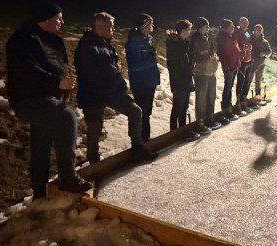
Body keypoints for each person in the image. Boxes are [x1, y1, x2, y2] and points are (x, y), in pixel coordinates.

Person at [5, 1, 92, 198]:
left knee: (41, 142)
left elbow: (58, 66)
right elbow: (27, 70)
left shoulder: (54, 41)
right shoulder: (22, 39)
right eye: (58, 18)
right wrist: (57, 83)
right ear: (45, 19)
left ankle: (39, 191)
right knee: (66, 117)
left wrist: (66, 81)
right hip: (28, 99)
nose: (62, 22)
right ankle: (68, 176)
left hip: (50, 98)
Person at [73, 12, 156, 164]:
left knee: (135, 111)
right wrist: (112, 68)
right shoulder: (87, 46)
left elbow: (109, 66)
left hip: (112, 91)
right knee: (95, 128)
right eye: (109, 26)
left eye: (112, 26)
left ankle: (137, 147)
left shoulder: (105, 43)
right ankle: (94, 162)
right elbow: (92, 71)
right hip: (93, 94)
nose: (112, 29)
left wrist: (114, 69)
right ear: (99, 27)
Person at [125, 13, 160, 142]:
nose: (153, 26)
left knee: (147, 112)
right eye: (151, 23)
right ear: (144, 25)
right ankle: (139, 142)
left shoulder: (146, 39)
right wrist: (152, 61)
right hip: (141, 83)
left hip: (149, 81)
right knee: (142, 113)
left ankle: (146, 138)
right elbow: (134, 65)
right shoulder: (134, 42)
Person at [166, 19, 200, 139]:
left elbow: (185, 61)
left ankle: (182, 129)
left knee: (183, 107)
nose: (190, 32)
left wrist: (191, 65)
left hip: (186, 79)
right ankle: (174, 133)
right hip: (180, 81)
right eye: (189, 30)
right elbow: (173, 65)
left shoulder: (183, 43)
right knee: (177, 107)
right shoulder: (174, 45)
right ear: (183, 30)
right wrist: (180, 78)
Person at [188, 17, 220, 131]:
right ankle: (200, 122)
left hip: (210, 72)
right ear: (200, 27)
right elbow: (196, 56)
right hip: (201, 73)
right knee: (201, 99)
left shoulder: (206, 37)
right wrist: (207, 55)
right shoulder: (194, 39)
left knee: (211, 96)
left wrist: (212, 56)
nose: (208, 28)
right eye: (206, 26)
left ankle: (209, 118)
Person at [217, 18, 241, 119]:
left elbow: (241, 34)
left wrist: (240, 52)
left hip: (235, 64)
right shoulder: (224, 37)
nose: (233, 27)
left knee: (230, 87)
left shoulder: (233, 34)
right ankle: (226, 110)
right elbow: (222, 53)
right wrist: (226, 67)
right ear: (226, 27)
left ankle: (229, 108)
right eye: (231, 26)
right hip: (229, 66)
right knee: (227, 88)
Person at [234, 16, 254, 112]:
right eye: (243, 22)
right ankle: (238, 102)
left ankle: (244, 99)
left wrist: (250, 46)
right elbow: (235, 44)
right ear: (239, 23)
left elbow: (250, 40)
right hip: (241, 61)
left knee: (247, 81)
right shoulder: (237, 32)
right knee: (240, 81)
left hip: (249, 60)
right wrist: (243, 48)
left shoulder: (246, 32)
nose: (245, 24)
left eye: (246, 22)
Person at [250, 24, 272, 103]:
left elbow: (269, 52)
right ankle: (244, 96)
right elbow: (244, 34)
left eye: (260, 30)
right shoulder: (250, 38)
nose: (258, 32)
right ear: (254, 30)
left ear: (262, 31)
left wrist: (264, 54)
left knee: (258, 80)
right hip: (251, 63)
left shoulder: (265, 42)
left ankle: (258, 95)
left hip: (261, 63)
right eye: (257, 30)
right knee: (248, 80)